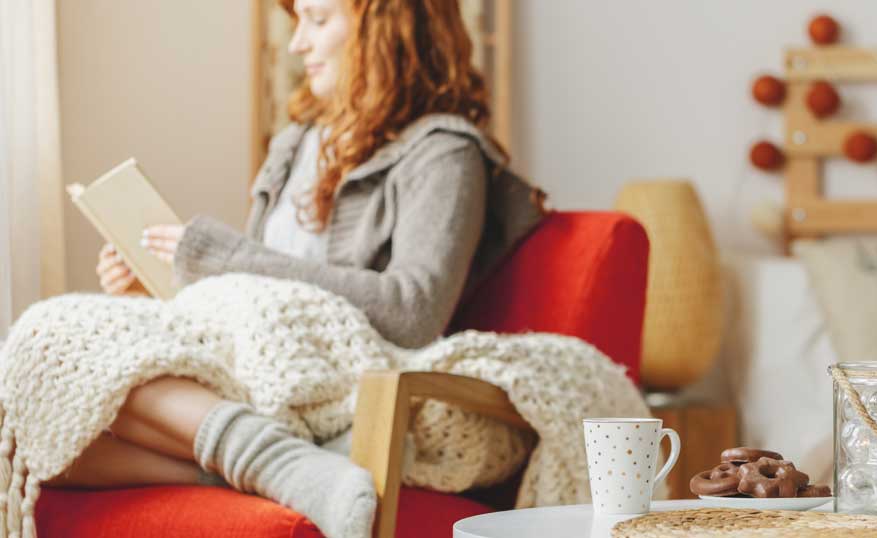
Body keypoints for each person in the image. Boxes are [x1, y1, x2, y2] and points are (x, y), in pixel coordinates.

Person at [72, 0, 544, 536]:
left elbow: (413, 310)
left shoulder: (443, 152)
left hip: (335, 381)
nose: (299, 44)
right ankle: (275, 467)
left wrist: (224, 259)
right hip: (257, 365)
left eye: (318, 21)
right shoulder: (295, 143)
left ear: (387, 27)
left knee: (68, 351)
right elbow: (251, 300)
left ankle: (266, 459)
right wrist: (156, 286)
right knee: (49, 422)